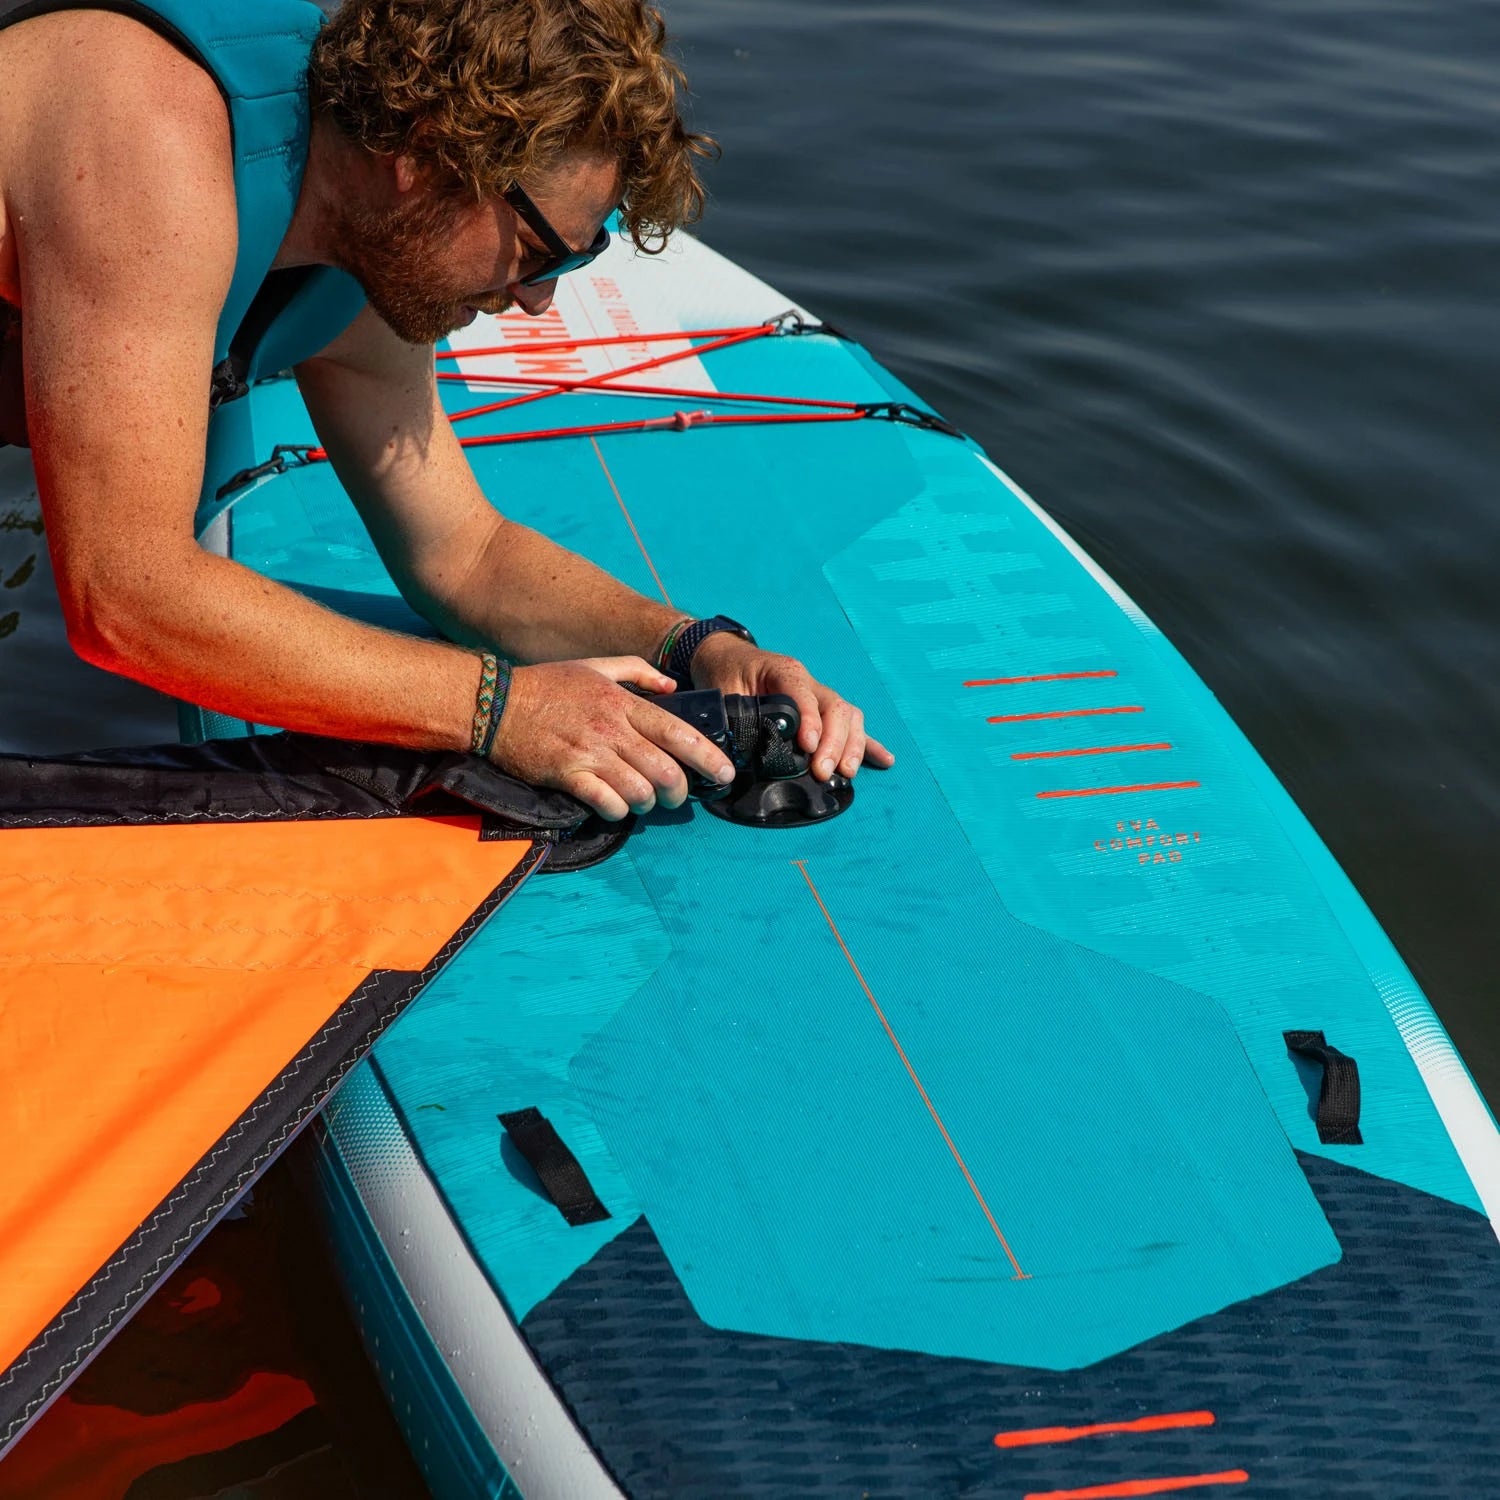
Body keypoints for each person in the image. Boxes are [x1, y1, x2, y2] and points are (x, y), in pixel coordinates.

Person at [0, 0, 892, 818]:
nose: (540, 302)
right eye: (540, 252)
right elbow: (124, 594)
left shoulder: (358, 239)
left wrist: (694, 649)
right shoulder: (150, 136)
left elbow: (466, 555)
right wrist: (497, 710)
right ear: (426, 156)